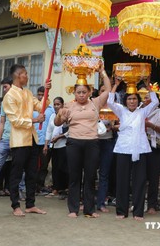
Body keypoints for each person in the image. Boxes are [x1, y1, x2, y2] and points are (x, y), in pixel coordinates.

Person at [54, 64, 111, 218]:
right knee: (74, 176)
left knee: (91, 176)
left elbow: (108, 88)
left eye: (84, 92)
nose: (81, 95)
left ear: (89, 92)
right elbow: (57, 123)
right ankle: (73, 209)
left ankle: (89, 209)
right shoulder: (68, 105)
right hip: (74, 142)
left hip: (92, 143)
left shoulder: (95, 103)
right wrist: (60, 115)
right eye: (78, 92)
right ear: (74, 92)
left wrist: (102, 72)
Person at [3, 64, 51, 217]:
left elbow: (42, 106)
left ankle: (30, 204)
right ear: (17, 75)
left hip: (32, 139)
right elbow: (16, 121)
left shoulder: (29, 93)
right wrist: (35, 121)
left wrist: (46, 91)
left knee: (32, 173)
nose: (27, 76)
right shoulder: (9, 96)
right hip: (19, 141)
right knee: (16, 174)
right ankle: (15, 205)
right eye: (25, 74)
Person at [107, 77, 159, 220]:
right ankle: (121, 211)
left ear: (138, 100)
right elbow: (110, 102)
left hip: (140, 149)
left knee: (140, 181)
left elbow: (155, 102)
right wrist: (116, 85)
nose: (132, 101)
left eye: (134, 99)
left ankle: (138, 212)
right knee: (122, 180)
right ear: (125, 101)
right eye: (129, 99)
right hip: (123, 149)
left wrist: (149, 86)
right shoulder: (121, 111)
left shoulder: (142, 112)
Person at [143, 92, 160, 214]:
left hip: (155, 147)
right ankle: (138, 203)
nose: (145, 99)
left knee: (154, 177)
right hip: (140, 146)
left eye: (147, 97)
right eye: (144, 97)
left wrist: (151, 126)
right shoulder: (139, 110)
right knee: (140, 177)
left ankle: (152, 205)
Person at [96, 84, 116, 213]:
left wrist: (112, 127)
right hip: (93, 142)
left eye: (106, 91)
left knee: (104, 174)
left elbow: (121, 123)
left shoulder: (113, 108)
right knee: (89, 173)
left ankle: (101, 202)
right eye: (102, 91)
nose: (104, 93)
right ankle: (87, 201)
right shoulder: (93, 106)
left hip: (108, 142)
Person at [44, 96, 68, 197]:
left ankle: (66, 188)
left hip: (64, 145)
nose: (56, 106)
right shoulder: (52, 116)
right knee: (55, 168)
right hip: (54, 146)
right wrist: (46, 145)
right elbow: (49, 130)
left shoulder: (66, 115)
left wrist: (59, 137)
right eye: (55, 104)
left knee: (64, 168)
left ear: (62, 105)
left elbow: (69, 131)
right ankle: (56, 188)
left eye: (58, 104)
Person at [34, 86, 54, 194]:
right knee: (33, 165)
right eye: (39, 94)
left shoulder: (51, 110)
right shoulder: (33, 109)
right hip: (35, 141)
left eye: (43, 95)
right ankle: (33, 186)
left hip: (46, 142)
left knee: (44, 165)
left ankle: (40, 185)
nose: (41, 97)